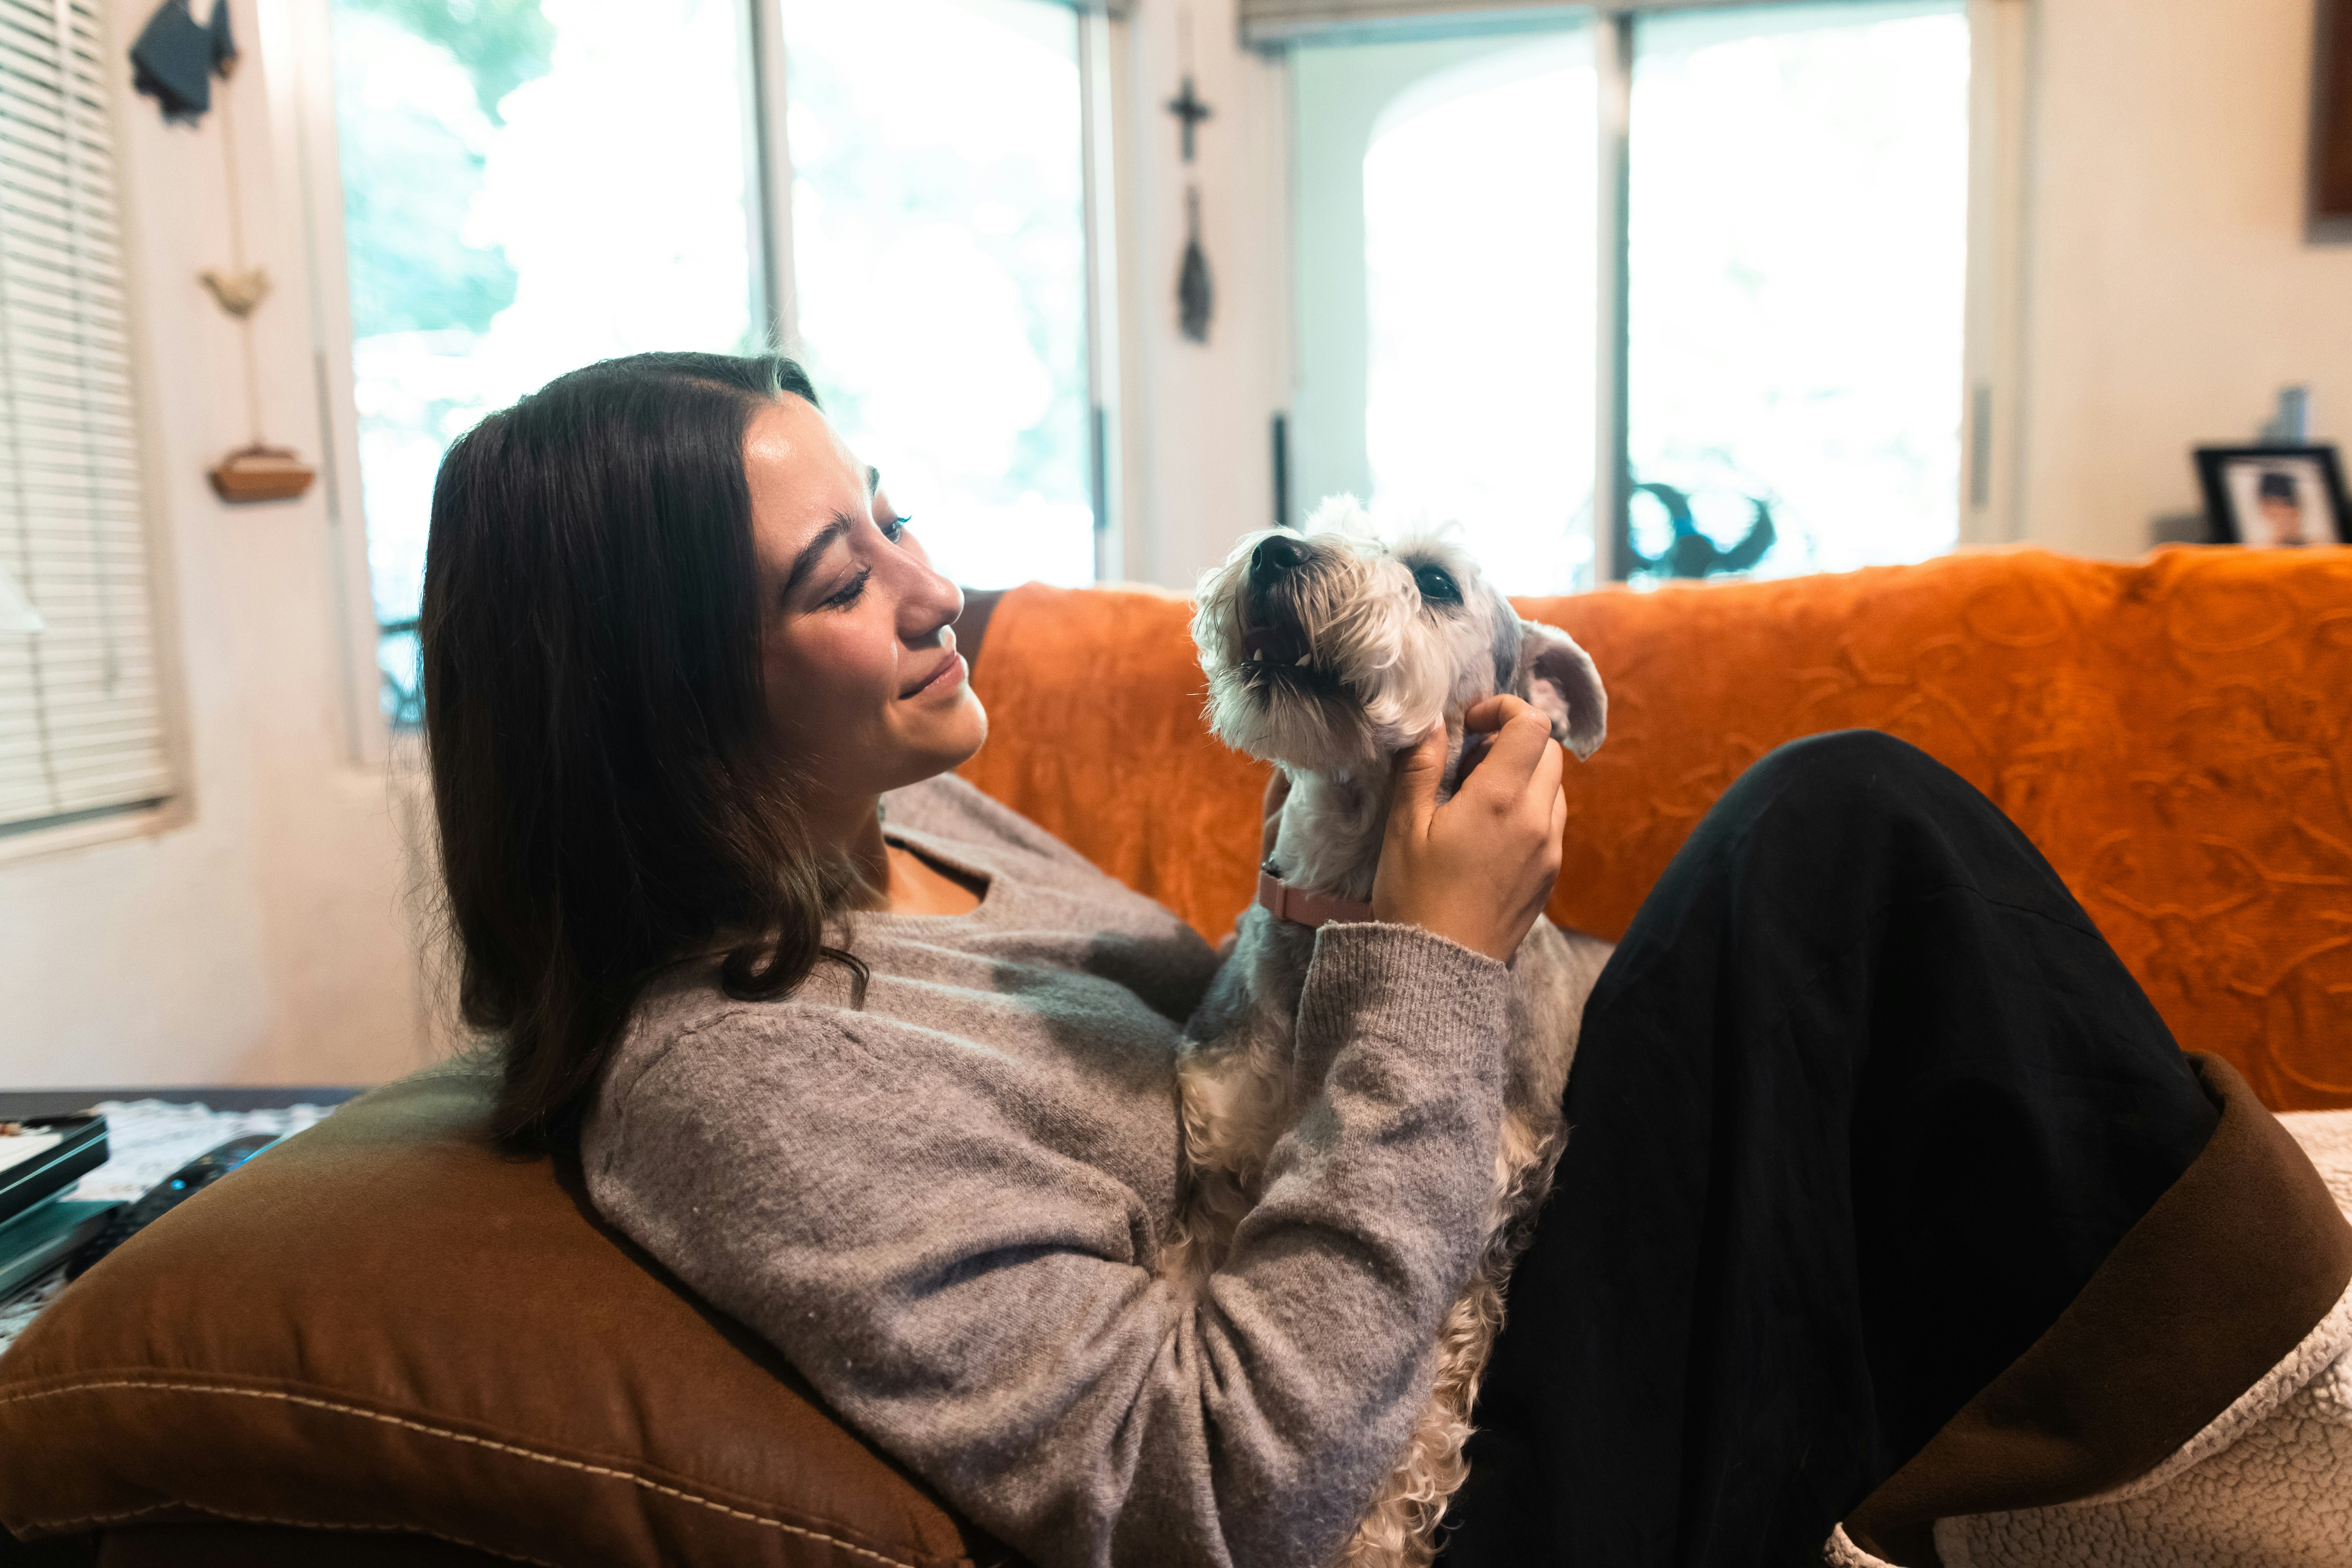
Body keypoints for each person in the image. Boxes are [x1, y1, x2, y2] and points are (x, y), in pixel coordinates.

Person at [418, 352, 2349, 1568]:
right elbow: (1218, 1490)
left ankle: (2195, 1397)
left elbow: (1247, 1069)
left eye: (894, 515)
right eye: (841, 576)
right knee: (1840, 840)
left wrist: (1369, 924)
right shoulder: (727, 1079)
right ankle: (2284, 1421)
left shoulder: (916, 834)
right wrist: (1434, 947)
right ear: (656, 695)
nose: (939, 587)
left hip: (1463, 1310)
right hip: (1429, 1498)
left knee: (1870, 962)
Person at [2253, 468, 2310, 547]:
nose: (2288, 520)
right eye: (2276, 514)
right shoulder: (2256, 551)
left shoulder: (2319, 548)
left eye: (2293, 514)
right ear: (2265, 509)